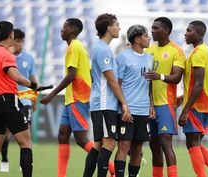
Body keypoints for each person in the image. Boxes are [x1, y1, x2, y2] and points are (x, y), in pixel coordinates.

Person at [0, 21, 41, 177]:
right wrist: (33, 85)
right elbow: (15, 76)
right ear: (11, 35)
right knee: (26, 143)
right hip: (7, 100)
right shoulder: (6, 54)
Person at [40, 18, 98, 177]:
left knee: (80, 139)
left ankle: (111, 168)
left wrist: (51, 95)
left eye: (64, 26)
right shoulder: (77, 47)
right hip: (72, 98)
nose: (61, 29)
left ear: (72, 29)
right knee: (63, 134)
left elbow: (72, 75)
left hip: (79, 98)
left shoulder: (74, 46)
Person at [82, 13, 131, 177]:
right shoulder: (102, 50)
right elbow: (112, 80)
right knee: (109, 143)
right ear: (109, 28)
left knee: (98, 145)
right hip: (104, 104)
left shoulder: (103, 48)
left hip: (103, 103)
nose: (119, 28)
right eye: (117, 24)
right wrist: (124, 103)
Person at [178, 20, 208, 177]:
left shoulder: (198, 53)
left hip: (197, 104)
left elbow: (198, 84)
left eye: (189, 30)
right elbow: (198, 82)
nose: (185, 33)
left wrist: (185, 110)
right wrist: (183, 97)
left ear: (198, 34)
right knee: (195, 142)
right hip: (207, 102)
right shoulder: (207, 51)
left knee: (192, 143)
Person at [144, 17, 185, 177]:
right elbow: (145, 80)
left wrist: (159, 76)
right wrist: (149, 104)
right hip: (150, 105)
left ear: (166, 30)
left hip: (166, 104)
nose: (152, 31)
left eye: (156, 28)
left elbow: (177, 77)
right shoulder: (149, 50)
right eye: (152, 28)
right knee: (154, 146)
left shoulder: (176, 50)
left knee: (166, 143)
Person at [113, 24, 154, 177]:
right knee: (124, 145)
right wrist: (123, 107)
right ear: (137, 39)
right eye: (146, 36)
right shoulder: (122, 57)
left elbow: (150, 85)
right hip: (127, 110)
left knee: (138, 147)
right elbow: (117, 84)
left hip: (143, 110)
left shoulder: (150, 58)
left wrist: (151, 105)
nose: (149, 38)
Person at [0, 28, 38, 173]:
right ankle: (4, 158)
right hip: (10, 97)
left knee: (26, 133)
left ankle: (25, 166)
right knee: (6, 133)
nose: (20, 44)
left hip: (26, 98)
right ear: (12, 41)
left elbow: (33, 78)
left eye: (22, 41)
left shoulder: (29, 58)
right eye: (17, 41)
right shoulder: (6, 57)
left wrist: (34, 98)